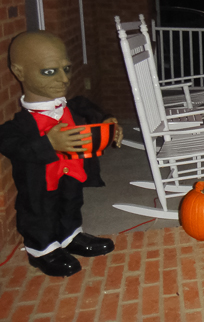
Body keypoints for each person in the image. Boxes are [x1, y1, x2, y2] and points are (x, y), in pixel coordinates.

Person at [0, 31, 124, 277]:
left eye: (66, 69)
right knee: (39, 213)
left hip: (72, 174)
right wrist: (49, 143)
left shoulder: (75, 105)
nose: (64, 79)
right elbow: (13, 146)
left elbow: (94, 112)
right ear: (20, 72)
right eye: (49, 72)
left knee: (71, 202)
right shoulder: (19, 127)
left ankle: (70, 236)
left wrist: (109, 123)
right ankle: (42, 250)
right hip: (41, 184)